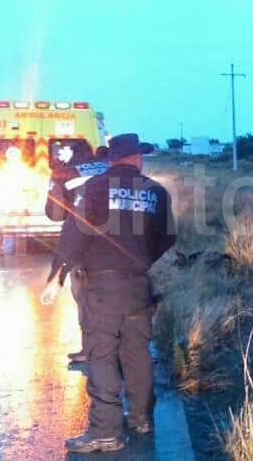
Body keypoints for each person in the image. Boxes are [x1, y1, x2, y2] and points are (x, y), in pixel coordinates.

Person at [41, 134, 175, 454]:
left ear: (112, 159)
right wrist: (140, 259)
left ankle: (105, 432)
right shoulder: (156, 191)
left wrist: (55, 278)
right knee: (137, 353)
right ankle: (142, 418)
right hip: (139, 286)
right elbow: (167, 237)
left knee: (101, 355)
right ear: (138, 158)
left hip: (102, 287)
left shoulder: (95, 188)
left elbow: (73, 235)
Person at [42, 144, 110, 363]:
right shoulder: (109, 167)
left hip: (84, 247)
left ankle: (90, 350)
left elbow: (55, 213)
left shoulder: (66, 173)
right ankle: (118, 349)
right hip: (119, 246)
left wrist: (54, 185)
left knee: (85, 299)